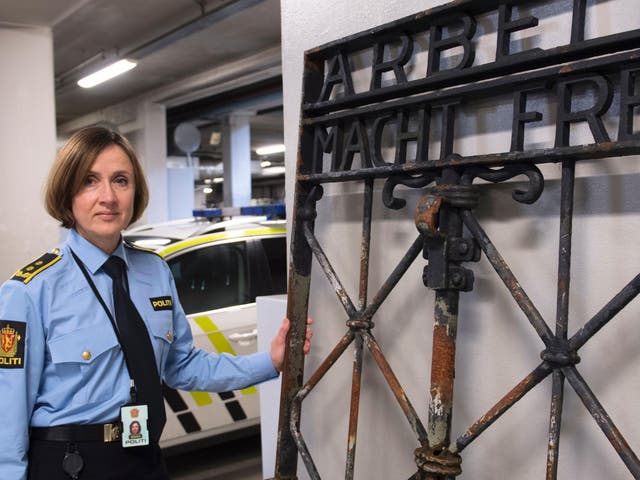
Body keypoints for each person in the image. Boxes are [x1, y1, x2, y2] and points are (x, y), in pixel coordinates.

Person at [0, 126, 312, 480]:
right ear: (66, 191)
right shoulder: (29, 291)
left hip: (144, 457)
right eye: (89, 180)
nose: (108, 197)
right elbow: (6, 416)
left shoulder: (154, 272)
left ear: (135, 191)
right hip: (70, 465)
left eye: (120, 180)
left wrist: (270, 362)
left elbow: (184, 365)